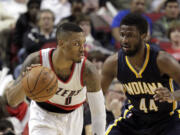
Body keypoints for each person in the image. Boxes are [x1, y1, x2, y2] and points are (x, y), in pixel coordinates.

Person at [5, 23, 106, 135]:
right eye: (76, 44)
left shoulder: (88, 71)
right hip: (43, 114)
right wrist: (26, 81)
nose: (82, 49)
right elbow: (12, 101)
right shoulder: (37, 60)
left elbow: (98, 112)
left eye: (83, 43)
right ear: (61, 43)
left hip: (73, 117)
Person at [101, 13, 180, 135]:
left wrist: (173, 95)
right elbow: (97, 94)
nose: (125, 40)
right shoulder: (113, 63)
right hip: (134, 119)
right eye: (122, 35)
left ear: (144, 36)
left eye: (130, 35)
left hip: (167, 120)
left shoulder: (162, 60)